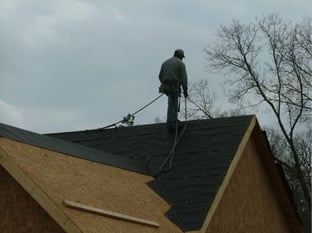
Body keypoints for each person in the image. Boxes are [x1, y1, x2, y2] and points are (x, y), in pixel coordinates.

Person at [159, 49, 188, 133]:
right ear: (180, 56)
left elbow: (160, 76)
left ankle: (173, 120)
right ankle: (171, 124)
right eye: (182, 57)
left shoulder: (165, 62)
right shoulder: (180, 64)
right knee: (173, 104)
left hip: (166, 85)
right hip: (173, 84)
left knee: (172, 103)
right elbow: (183, 78)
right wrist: (185, 90)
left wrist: (164, 84)